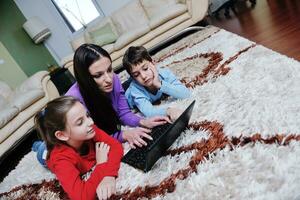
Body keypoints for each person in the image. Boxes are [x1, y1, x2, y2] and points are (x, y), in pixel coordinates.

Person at [66, 43, 169, 149]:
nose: (109, 79)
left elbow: (124, 113)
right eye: (98, 75)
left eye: (109, 69)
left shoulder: (114, 79)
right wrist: (124, 135)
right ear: (85, 78)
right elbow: (90, 141)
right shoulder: (74, 102)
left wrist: (143, 122)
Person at [34, 96, 123, 200]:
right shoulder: (60, 160)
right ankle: (37, 145)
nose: (91, 122)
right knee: (41, 148)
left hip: (64, 140)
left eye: (87, 115)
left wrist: (109, 175)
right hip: (46, 152)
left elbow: (116, 146)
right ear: (62, 135)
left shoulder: (90, 130)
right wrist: (101, 165)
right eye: (80, 122)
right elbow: (82, 196)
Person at [123, 46, 191, 121]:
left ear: (153, 63)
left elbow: (186, 94)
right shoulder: (135, 90)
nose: (143, 76)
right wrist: (168, 111)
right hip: (126, 92)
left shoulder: (164, 74)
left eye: (145, 68)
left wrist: (159, 84)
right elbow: (149, 112)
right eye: (136, 75)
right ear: (133, 77)